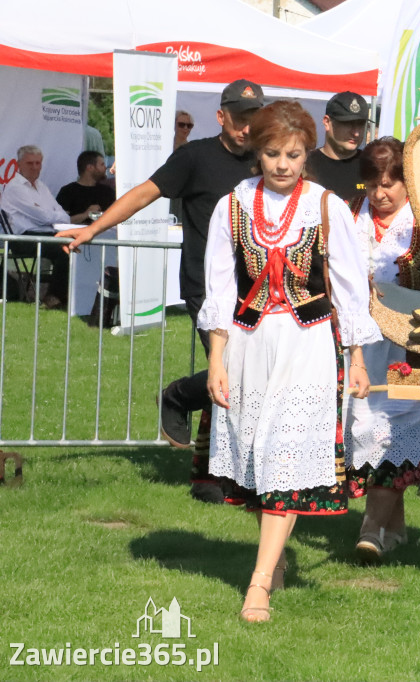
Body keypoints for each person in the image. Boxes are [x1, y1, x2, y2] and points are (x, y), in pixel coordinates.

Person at [202, 99, 377, 622]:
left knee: (284, 451)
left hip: (308, 342)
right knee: (257, 451)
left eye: (294, 155)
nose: (283, 164)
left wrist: (360, 357)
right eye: (273, 153)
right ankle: (272, 559)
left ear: (307, 156)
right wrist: (216, 360)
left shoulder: (325, 206)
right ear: (257, 152)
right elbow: (218, 285)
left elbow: (349, 287)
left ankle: (258, 583)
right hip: (248, 341)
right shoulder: (231, 205)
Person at [59, 79, 265, 504]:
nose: (247, 127)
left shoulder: (268, 160)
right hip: (206, 287)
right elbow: (142, 195)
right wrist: (93, 229)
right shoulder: (194, 156)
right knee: (232, 374)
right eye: (240, 118)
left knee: (251, 377)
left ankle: (205, 439)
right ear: (221, 116)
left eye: (254, 119)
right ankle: (193, 426)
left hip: (260, 288)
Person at [344, 137, 420, 562]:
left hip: (415, 345)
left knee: (394, 430)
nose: (380, 194)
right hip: (363, 345)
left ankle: (371, 529)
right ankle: (394, 527)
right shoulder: (349, 215)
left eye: (390, 183)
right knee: (362, 427)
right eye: (372, 184)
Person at [0, 145, 72, 308]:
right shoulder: (14, 188)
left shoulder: (42, 187)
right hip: (23, 239)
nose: (34, 167)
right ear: (19, 165)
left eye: (38, 163)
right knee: (65, 249)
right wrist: (50, 215)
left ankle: (69, 295)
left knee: (78, 245)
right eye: (30, 163)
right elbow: (44, 217)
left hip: (47, 234)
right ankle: (54, 297)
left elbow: (64, 216)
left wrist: (49, 215)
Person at [304, 92, 370, 203]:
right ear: (327, 122)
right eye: (348, 123)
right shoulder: (305, 164)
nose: (356, 133)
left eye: (360, 124)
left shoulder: (373, 166)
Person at [56, 151, 115, 225]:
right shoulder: (68, 192)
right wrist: (86, 214)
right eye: (102, 164)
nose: (105, 167)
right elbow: (60, 221)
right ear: (90, 167)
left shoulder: (107, 191)